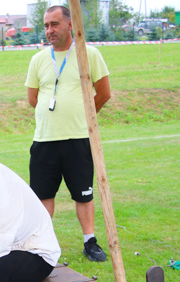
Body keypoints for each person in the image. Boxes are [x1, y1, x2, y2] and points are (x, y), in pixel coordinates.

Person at [25, 5, 112, 263]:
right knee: (43, 195)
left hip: (78, 139)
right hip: (45, 140)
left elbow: (104, 92)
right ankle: (42, 243)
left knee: (83, 194)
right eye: (46, 25)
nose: (50, 30)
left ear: (70, 24)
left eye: (55, 24)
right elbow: (33, 98)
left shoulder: (89, 54)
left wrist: (86, 118)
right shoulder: (39, 59)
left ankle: (90, 242)